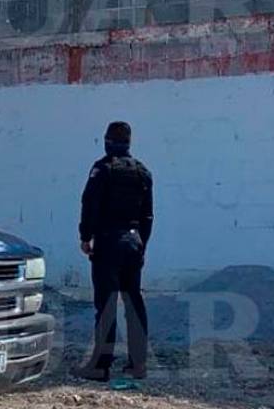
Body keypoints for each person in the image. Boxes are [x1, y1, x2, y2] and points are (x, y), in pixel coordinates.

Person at [73, 121, 154, 382]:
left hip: (108, 243)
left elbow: (90, 204)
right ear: (129, 142)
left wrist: (86, 237)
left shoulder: (102, 169)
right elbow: (148, 215)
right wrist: (142, 245)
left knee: (106, 305)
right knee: (134, 303)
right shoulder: (143, 172)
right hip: (134, 243)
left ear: (107, 140)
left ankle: (101, 366)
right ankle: (138, 364)